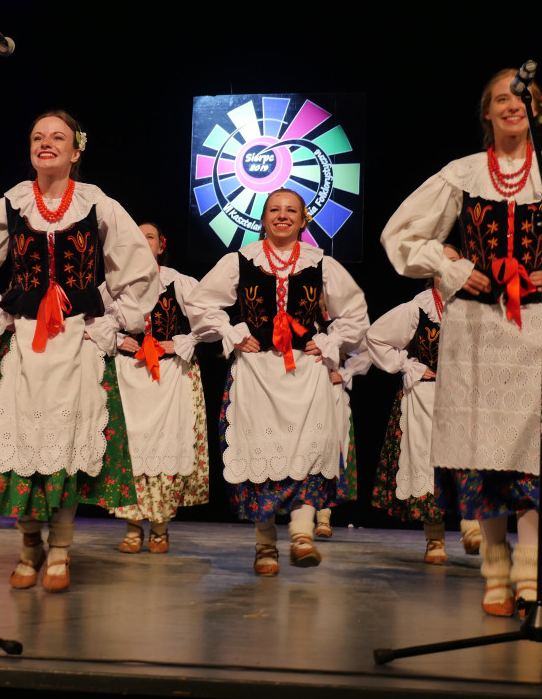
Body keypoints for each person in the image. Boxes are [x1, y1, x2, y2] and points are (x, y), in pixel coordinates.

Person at [380, 69, 542, 615]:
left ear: (536, 109)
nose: (511, 105)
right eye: (501, 98)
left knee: (533, 456)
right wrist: (451, 271)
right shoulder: (462, 174)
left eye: (520, 97)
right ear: (487, 112)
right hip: (476, 331)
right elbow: (400, 234)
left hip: (540, 329)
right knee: (484, 454)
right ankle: (494, 571)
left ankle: (528, 573)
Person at [0, 111, 159, 593]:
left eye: (57, 137)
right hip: (24, 341)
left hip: (77, 340)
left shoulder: (97, 205)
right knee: (22, 441)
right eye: (38, 136)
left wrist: (111, 319)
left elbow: (139, 269)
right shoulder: (12, 204)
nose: (46, 143)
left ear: (76, 151)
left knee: (66, 443)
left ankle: (60, 548)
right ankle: (27, 545)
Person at [188, 188, 369, 575]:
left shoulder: (321, 263)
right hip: (257, 372)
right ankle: (265, 544)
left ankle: (302, 534)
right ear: (263, 217)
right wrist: (233, 332)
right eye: (274, 209)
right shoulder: (240, 260)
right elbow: (201, 303)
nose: (282, 216)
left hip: (305, 371)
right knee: (260, 453)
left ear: (304, 220)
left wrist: (329, 340)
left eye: (291, 210)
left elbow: (355, 313)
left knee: (307, 447)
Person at [366, 245, 482, 564]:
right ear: (432, 271)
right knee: (427, 464)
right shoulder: (417, 309)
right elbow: (376, 338)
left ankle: (472, 527)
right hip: (426, 397)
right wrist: (410, 366)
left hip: (467, 399)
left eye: (457, 263)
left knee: (468, 461)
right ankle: (435, 540)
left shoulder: (477, 307)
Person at [105, 222, 209, 554]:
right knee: (132, 449)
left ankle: (160, 526)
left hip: (169, 377)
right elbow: (94, 321)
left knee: (165, 447)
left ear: (161, 245)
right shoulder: (115, 285)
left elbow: (208, 323)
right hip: (130, 374)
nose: (140, 241)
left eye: (148, 236)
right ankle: (133, 524)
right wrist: (121, 339)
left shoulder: (179, 282)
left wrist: (179, 342)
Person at [316, 346, 372, 540]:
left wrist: (345, 372)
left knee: (329, 452)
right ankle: (302, 517)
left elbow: (368, 348)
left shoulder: (341, 324)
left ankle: (323, 515)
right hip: (300, 389)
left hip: (332, 395)